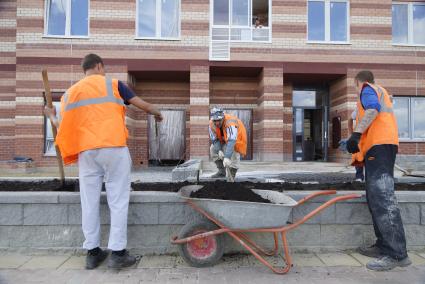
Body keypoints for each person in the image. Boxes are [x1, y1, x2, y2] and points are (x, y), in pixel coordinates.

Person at [44, 54, 163, 270]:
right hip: (113, 147)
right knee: (117, 198)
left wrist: (51, 116)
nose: (104, 73)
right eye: (103, 68)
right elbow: (141, 105)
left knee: (89, 202)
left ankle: (93, 253)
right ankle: (117, 254)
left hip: (87, 153)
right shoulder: (114, 84)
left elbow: (61, 126)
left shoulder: (69, 94)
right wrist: (157, 113)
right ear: (98, 66)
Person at [346, 70, 410, 271]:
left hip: (380, 147)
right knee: (375, 198)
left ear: (357, 82)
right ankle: (383, 245)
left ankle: (397, 254)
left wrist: (356, 135)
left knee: (383, 199)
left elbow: (372, 110)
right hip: (381, 146)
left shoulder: (367, 89)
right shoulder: (380, 90)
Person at [209, 107, 247, 181]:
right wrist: (219, 150)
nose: (217, 123)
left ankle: (231, 176)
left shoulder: (230, 122)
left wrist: (227, 157)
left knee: (233, 154)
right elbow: (215, 140)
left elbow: (232, 140)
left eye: (219, 120)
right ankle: (221, 172)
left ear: (223, 117)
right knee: (213, 149)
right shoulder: (211, 124)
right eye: (215, 121)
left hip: (237, 141)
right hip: (224, 140)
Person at [348, 108, 365, 182]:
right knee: (358, 157)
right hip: (360, 137)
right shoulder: (359, 109)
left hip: (371, 138)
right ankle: (359, 176)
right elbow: (350, 119)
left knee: (371, 158)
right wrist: (351, 134)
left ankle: (370, 178)